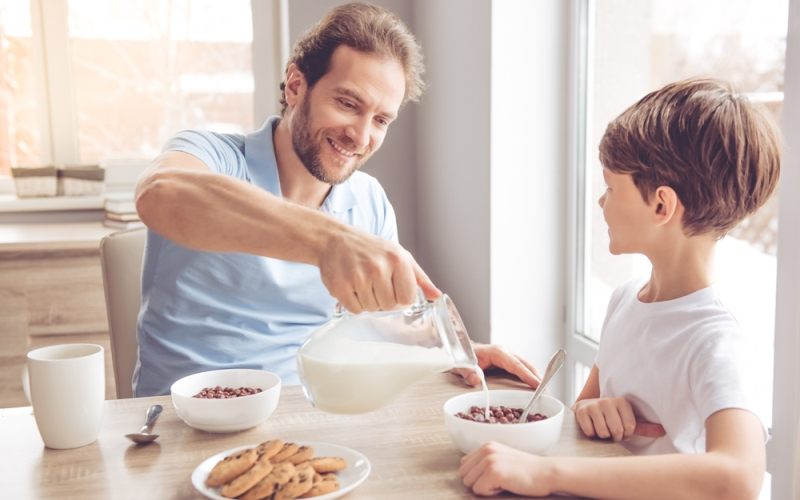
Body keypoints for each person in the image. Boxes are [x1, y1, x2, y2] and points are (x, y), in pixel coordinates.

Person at [133, 2, 541, 397]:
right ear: (296, 86)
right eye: (348, 104)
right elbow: (160, 194)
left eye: (381, 120)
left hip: (302, 415)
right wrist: (329, 242)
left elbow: (378, 323)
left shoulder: (369, 201)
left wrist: (451, 351)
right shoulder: (212, 156)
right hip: (180, 420)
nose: (361, 137)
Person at [458, 77, 780, 498]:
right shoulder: (625, 301)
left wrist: (547, 474)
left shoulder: (717, 337)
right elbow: (578, 417)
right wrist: (593, 411)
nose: (601, 202)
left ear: (661, 205)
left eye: (611, 187)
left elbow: (738, 477)